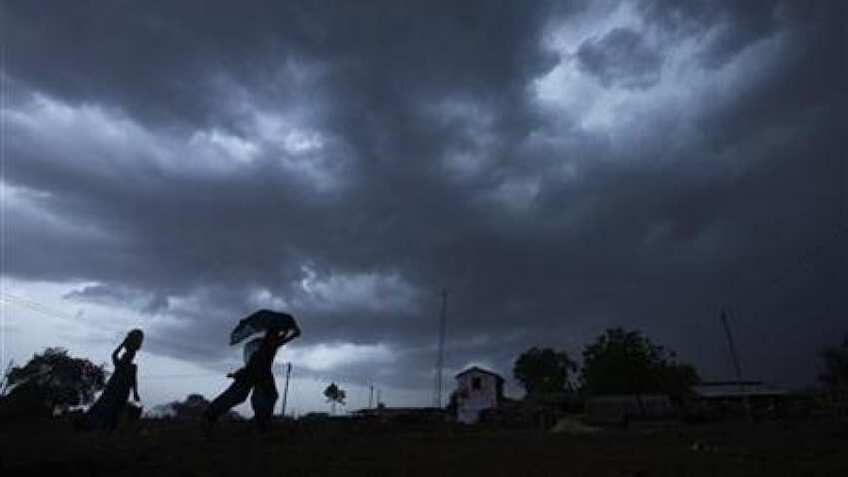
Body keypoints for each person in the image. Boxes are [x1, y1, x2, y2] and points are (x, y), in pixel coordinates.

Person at [204, 324, 300, 432]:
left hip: (260, 375)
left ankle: (261, 423)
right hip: (257, 374)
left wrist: (290, 332)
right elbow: (279, 341)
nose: (277, 338)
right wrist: (290, 331)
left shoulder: (266, 344)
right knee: (240, 396)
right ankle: (210, 415)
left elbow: (280, 340)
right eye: (275, 335)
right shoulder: (266, 345)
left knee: (265, 397)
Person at [84, 329, 143, 431]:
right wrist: (123, 344)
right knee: (108, 408)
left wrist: (135, 393)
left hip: (121, 391)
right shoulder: (122, 364)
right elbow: (114, 354)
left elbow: (134, 381)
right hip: (114, 389)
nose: (127, 356)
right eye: (126, 355)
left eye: (129, 355)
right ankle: (100, 427)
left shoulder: (127, 366)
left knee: (115, 410)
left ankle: (108, 429)